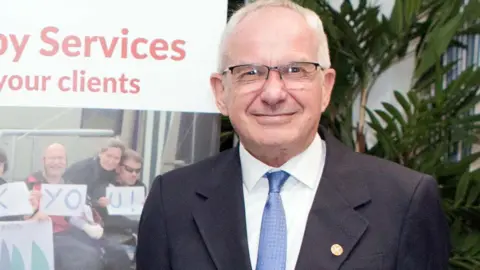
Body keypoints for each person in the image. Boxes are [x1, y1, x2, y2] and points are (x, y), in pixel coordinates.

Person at [136, 1, 451, 269]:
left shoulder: (403, 199)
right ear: (221, 92)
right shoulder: (173, 201)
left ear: (326, 87)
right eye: (250, 72)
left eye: (295, 70)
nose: (273, 93)